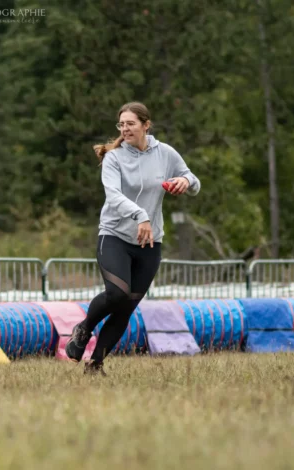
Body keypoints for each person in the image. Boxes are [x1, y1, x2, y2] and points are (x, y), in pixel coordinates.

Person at [65, 102, 201, 375]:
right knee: (117, 294)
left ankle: (95, 364)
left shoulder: (165, 153)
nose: (125, 129)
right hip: (114, 234)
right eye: (121, 124)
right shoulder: (114, 158)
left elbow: (193, 181)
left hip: (149, 241)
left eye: (130, 123)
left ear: (146, 125)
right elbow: (113, 196)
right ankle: (84, 328)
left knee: (127, 307)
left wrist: (186, 182)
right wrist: (141, 216)